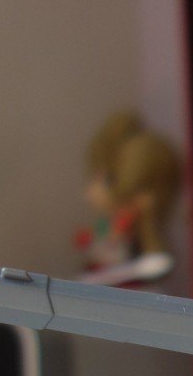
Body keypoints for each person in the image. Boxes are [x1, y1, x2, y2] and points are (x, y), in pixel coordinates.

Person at [74, 110, 182, 287]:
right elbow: (94, 235)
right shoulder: (111, 224)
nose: (91, 192)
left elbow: (158, 262)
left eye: (107, 179)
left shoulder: (137, 228)